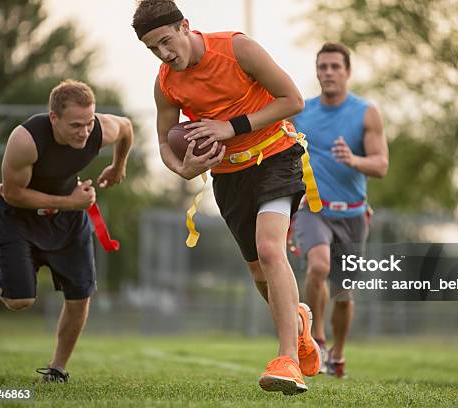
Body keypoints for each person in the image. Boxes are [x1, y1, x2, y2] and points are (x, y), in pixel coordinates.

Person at [132, 0, 321, 395]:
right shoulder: (165, 82)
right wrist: (182, 169)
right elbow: (166, 142)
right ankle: (299, 326)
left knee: (271, 251)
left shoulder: (237, 48)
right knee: (258, 272)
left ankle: (287, 359)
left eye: (166, 41)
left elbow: (293, 100)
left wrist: (228, 127)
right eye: (152, 48)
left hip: (276, 155)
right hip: (229, 176)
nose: (164, 54)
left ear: (185, 26)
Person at [0, 79, 134, 382]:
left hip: (67, 219)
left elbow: (126, 127)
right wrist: (70, 201)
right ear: (53, 117)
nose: (84, 132)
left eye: (88, 122)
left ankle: (57, 369)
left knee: (79, 295)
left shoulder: (99, 129)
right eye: (75, 125)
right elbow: (14, 193)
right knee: (18, 301)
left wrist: (118, 166)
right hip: (18, 217)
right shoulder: (26, 139)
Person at [292, 42, 389, 378]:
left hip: (353, 214)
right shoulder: (300, 111)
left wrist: (354, 159)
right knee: (318, 265)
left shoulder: (365, 113)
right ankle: (316, 339)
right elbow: (281, 156)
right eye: (322, 67)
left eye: (335, 67)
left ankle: (338, 353)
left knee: (344, 294)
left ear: (347, 72)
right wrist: (291, 202)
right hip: (312, 208)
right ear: (316, 72)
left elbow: (381, 165)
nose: (328, 73)